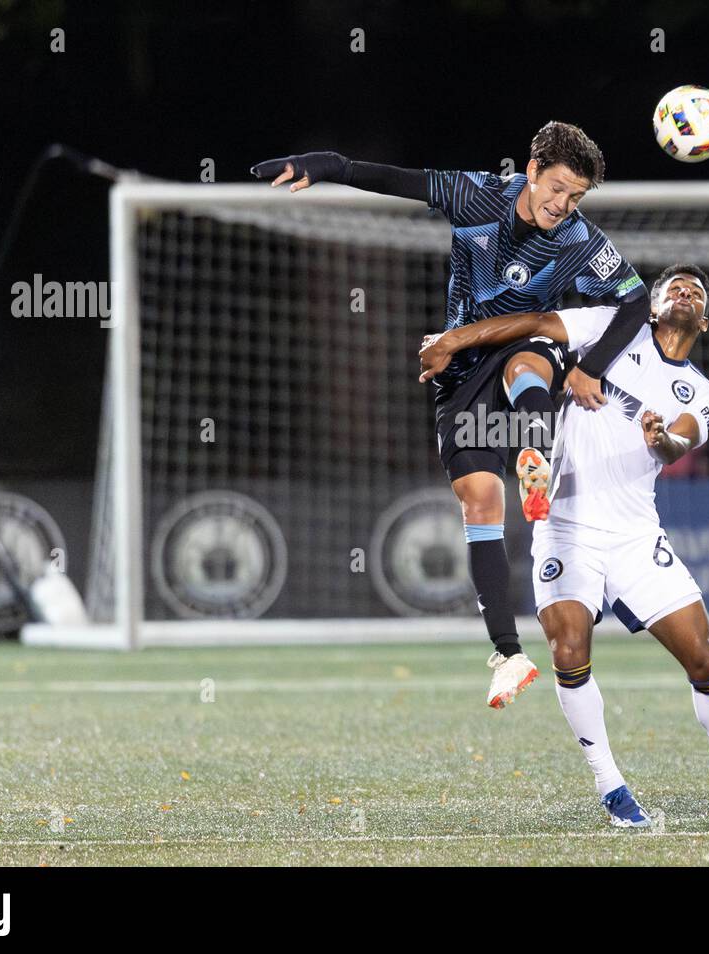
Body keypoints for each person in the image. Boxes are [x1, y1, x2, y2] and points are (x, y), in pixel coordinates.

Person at [252, 122, 649, 709]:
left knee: (530, 363)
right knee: (480, 502)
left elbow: (636, 301)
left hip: (521, 348)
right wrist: (328, 163)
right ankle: (509, 655)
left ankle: (534, 451)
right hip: (461, 375)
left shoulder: (582, 241)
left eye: (576, 198)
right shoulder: (477, 194)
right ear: (533, 169)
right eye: (558, 189)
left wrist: (592, 369)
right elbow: (392, 180)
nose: (563, 206)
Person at [419, 264, 709, 826]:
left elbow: (680, 444)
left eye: (696, 291)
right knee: (569, 650)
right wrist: (454, 338)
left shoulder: (702, 392)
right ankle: (611, 787)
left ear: (706, 319)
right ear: (649, 307)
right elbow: (534, 321)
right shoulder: (607, 328)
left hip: (634, 536)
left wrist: (662, 438)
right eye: (673, 286)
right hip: (564, 524)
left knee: (704, 658)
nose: (684, 292)